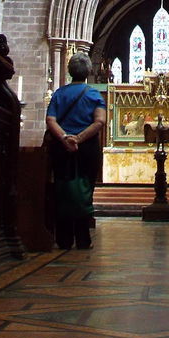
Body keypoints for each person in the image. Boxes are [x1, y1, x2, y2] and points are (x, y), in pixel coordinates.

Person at [46, 53, 106, 249]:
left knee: (62, 189)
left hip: (61, 148)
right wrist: (78, 139)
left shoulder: (59, 94)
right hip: (86, 148)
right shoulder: (93, 94)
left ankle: (63, 239)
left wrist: (65, 138)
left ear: (70, 71)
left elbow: (51, 120)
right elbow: (100, 121)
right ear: (89, 71)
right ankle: (82, 238)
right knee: (85, 190)